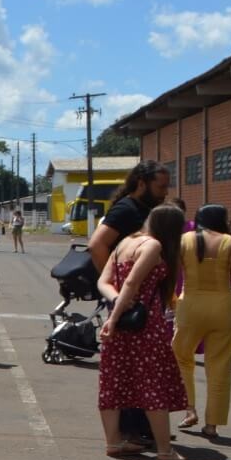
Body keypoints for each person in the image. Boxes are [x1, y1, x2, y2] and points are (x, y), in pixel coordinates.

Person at [89, 160, 172, 444]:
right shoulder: (127, 209)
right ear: (141, 183)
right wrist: (117, 289)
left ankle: (140, 429)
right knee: (136, 369)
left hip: (139, 299)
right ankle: (134, 430)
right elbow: (97, 245)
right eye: (160, 186)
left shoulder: (146, 210)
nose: (165, 192)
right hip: (128, 301)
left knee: (139, 368)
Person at [97, 204, 188, 460]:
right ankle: (164, 449)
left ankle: (113, 442)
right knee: (152, 384)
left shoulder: (125, 242)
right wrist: (117, 316)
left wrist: (116, 307)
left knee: (113, 381)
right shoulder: (152, 246)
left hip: (120, 324)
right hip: (146, 327)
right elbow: (132, 282)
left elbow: (104, 281)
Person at [172, 205, 231, 437]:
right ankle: (212, 424)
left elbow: (171, 271)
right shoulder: (230, 241)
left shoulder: (185, 240)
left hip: (190, 304)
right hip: (222, 306)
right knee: (219, 366)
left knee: (182, 357)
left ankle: (189, 408)